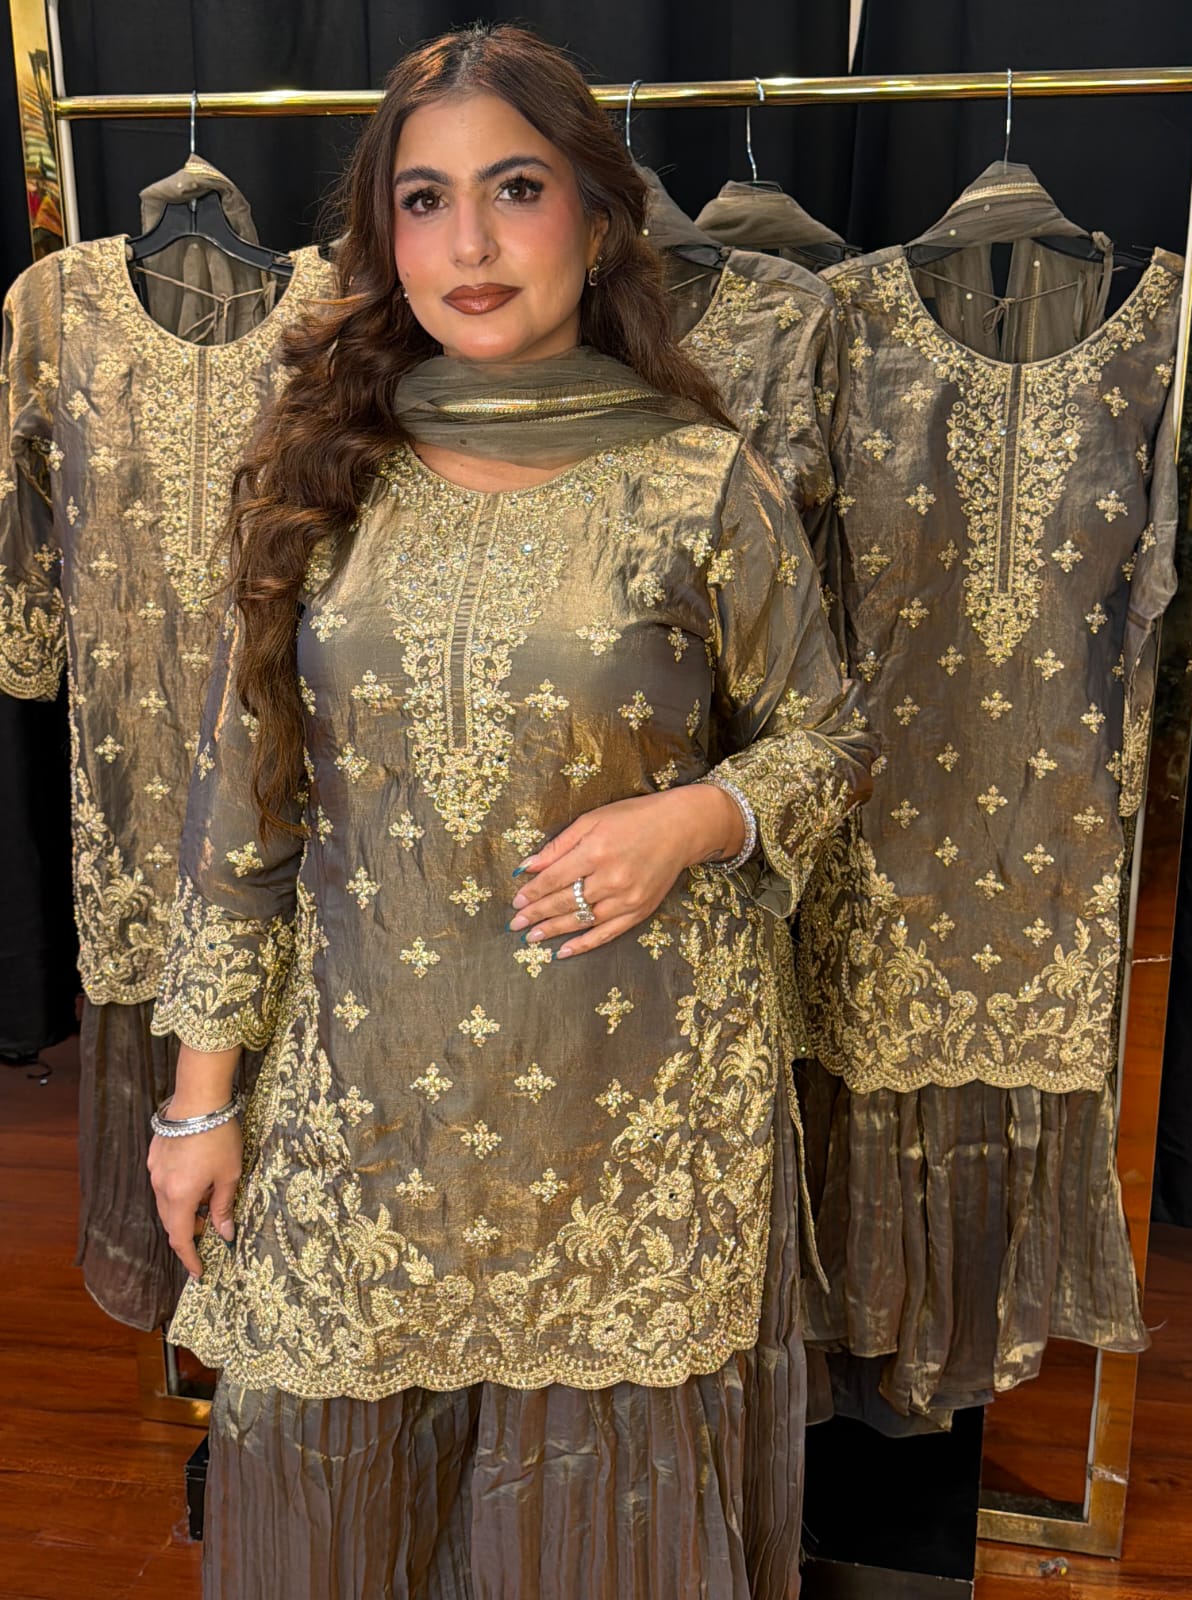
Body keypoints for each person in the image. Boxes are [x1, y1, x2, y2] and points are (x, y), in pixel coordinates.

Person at [147, 23, 874, 1600]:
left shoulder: (697, 479)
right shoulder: (320, 473)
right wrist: (198, 1102)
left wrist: (697, 821)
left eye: (516, 189)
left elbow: (825, 737)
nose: (468, 243)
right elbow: (243, 804)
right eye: (424, 200)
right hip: (366, 1119)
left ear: (597, 224)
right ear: (382, 234)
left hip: (630, 1122)